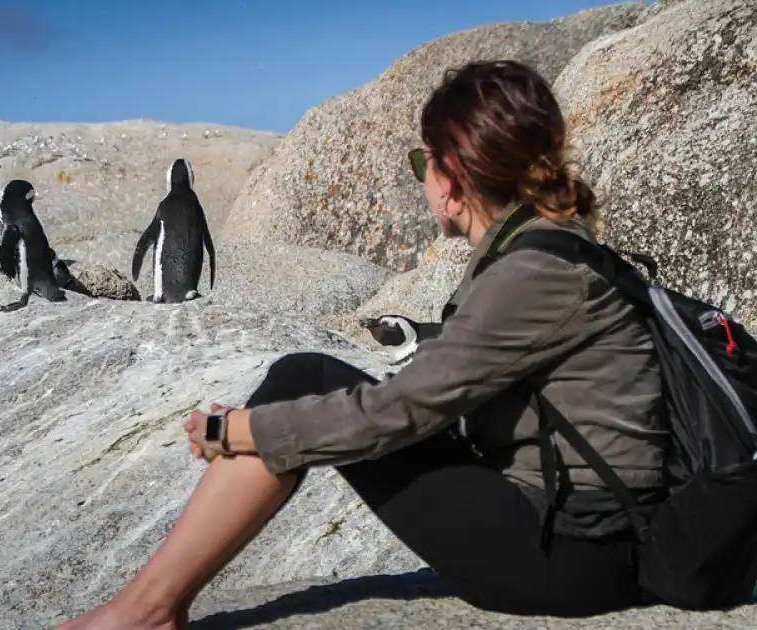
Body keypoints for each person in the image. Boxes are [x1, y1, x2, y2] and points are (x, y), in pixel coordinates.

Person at [60, 60, 669, 629]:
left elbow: (399, 412)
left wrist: (239, 430)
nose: (422, 180)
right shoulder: (549, 250)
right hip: (589, 532)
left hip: (577, 551)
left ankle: (146, 611)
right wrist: (264, 426)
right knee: (304, 386)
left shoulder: (533, 273)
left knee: (303, 379)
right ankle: (150, 605)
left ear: (453, 177)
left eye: (422, 163)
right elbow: (451, 395)